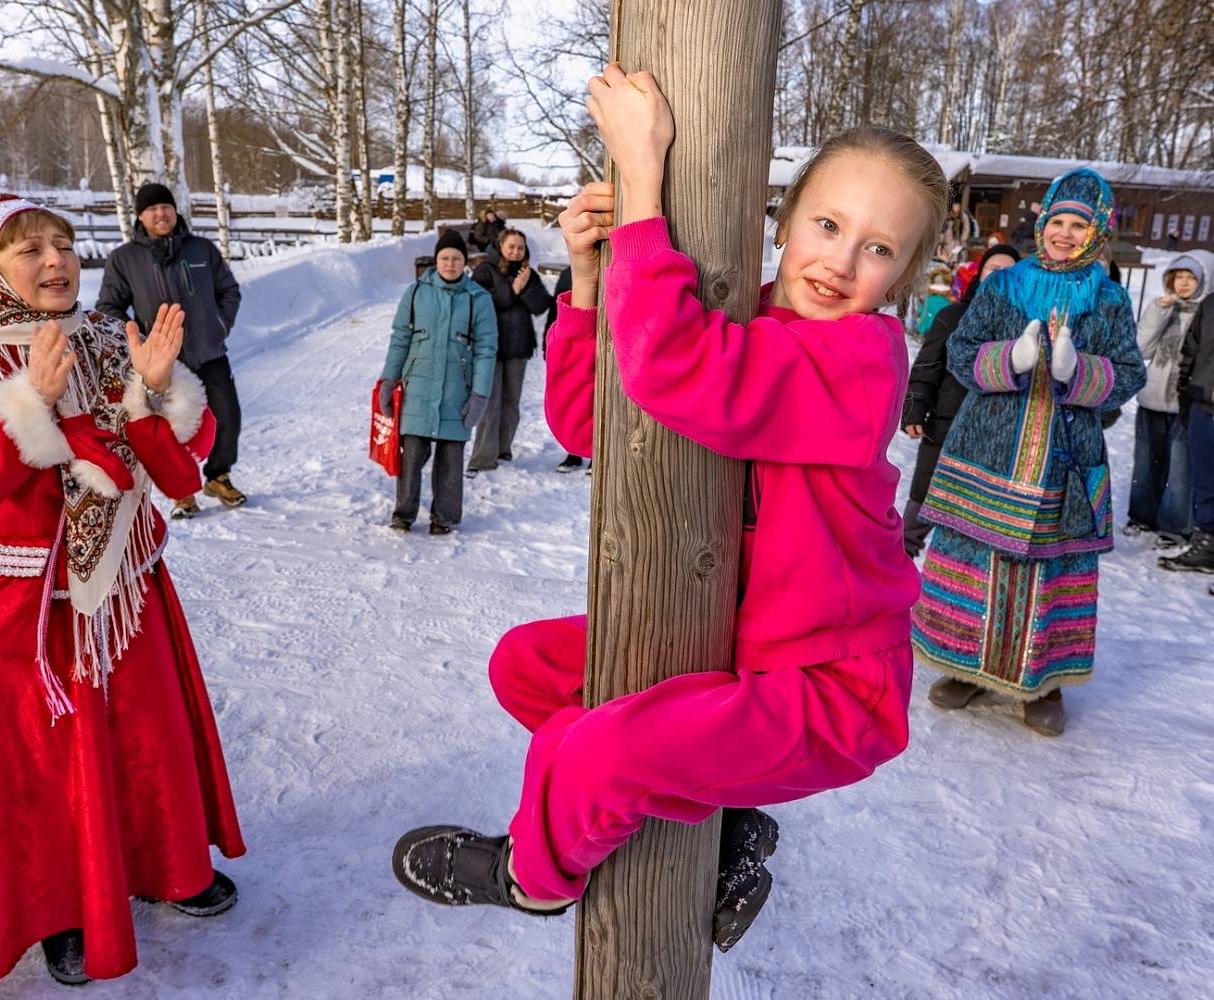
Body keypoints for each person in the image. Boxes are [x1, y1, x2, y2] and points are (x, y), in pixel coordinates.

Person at [391, 63, 947, 953]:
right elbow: (594, 423)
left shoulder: (861, 364)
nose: (841, 264)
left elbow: (678, 368)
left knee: (603, 755)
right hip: (741, 646)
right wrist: (582, 277)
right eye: (828, 226)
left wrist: (644, 188)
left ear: (908, 273)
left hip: (828, 686)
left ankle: (533, 879)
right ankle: (721, 821)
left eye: (879, 249)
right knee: (525, 667)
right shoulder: (752, 321)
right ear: (788, 217)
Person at [0, 194, 245, 987]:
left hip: (122, 582)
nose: (55, 262)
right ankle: (60, 906)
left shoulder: (103, 337)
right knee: (41, 765)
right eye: (30, 251)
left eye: (63, 244)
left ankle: (167, 864)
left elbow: (175, 462)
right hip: (25, 613)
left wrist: (156, 391)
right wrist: (33, 406)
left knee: (143, 736)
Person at [913, 168, 1145, 737]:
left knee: (1052, 566)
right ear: (1042, 225)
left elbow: (1130, 374)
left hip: (1064, 460)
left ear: (1097, 233)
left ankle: (1045, 681)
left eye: (1078, 225)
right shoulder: (1003, 285)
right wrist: (1010, 360)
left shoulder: (1110, 299)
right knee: (977, 556)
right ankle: (965, 664)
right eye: (1057, 222)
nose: (1064, 233)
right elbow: (962, 352)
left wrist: (1079, 370)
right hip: (989, 448)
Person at [98, 182, 247, 518]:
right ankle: (182, 493)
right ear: (140, 216)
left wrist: (219, 326)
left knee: (228, 417)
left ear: (175, 210)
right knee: (173, 429)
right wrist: (143, 344)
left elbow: (229, 290)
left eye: (165, 207)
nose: (160, 214)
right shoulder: (125, 259)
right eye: (151, 209)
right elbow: (110, 308)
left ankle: (218, 477)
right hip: (164, 364)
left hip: (209, 352)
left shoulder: (201, 250)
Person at [901, 242, 1021, 556]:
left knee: (977, 510)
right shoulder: (953, 315)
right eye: (995, 268)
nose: (1001, 275)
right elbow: (928, 365)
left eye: (1010, 270)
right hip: (946, 421)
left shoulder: (1024, 324)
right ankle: (894, 570)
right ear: (981, 274)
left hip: (996, 432)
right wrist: (915, 409)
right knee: (925, 498)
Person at [379, 229, 498, 534]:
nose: (450, 264)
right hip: (417, 387)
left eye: (456, 258)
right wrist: (389, 380)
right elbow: (400, 339)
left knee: (450, 460)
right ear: (436, 260)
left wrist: (480, 394)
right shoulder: (416, 292)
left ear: (465, 261)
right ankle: (403, 513)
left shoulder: (478, 299)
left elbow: (486, 349)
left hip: (457, 391)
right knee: (412, 457)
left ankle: (444, 517)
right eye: (444, 258)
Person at [1129, 252, 1210, 543]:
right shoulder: (1163, 307)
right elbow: (1141, 349)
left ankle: (1174, 527)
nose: (1184, 284)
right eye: (1179, 277)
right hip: (1152, 397)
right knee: (1146, 462)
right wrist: (1157, 313)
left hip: (1186, 402)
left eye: (1191, 278)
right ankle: (1141, 517)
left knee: (1180, 469)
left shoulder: (1206, 313)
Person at [467, 228, 553, 476]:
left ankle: (503, 450)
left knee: (511, 402)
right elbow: (479, 302)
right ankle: (483, 457)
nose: (516, 252)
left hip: (518, 347)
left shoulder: (527, 273)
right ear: (501, 246)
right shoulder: (485, 270)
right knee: (489, 402)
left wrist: (525, 288)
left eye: (521, 247)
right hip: (490, 348)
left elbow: (540, 306)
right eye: (512, 246)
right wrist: (513, 289)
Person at [1159, 289, 1214, 574]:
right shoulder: (1211, 302)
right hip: (1204, 405)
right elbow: (1191, 352)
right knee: (1206, 484)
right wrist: (1186, 396)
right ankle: (1208, 546)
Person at [545, 267, 589, 473]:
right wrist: (549, 341)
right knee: (576, 397)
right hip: (574, 342)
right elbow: (556, 310)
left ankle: (597, 456)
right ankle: (574, 455)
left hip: (602, 342)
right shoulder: (567, 274)